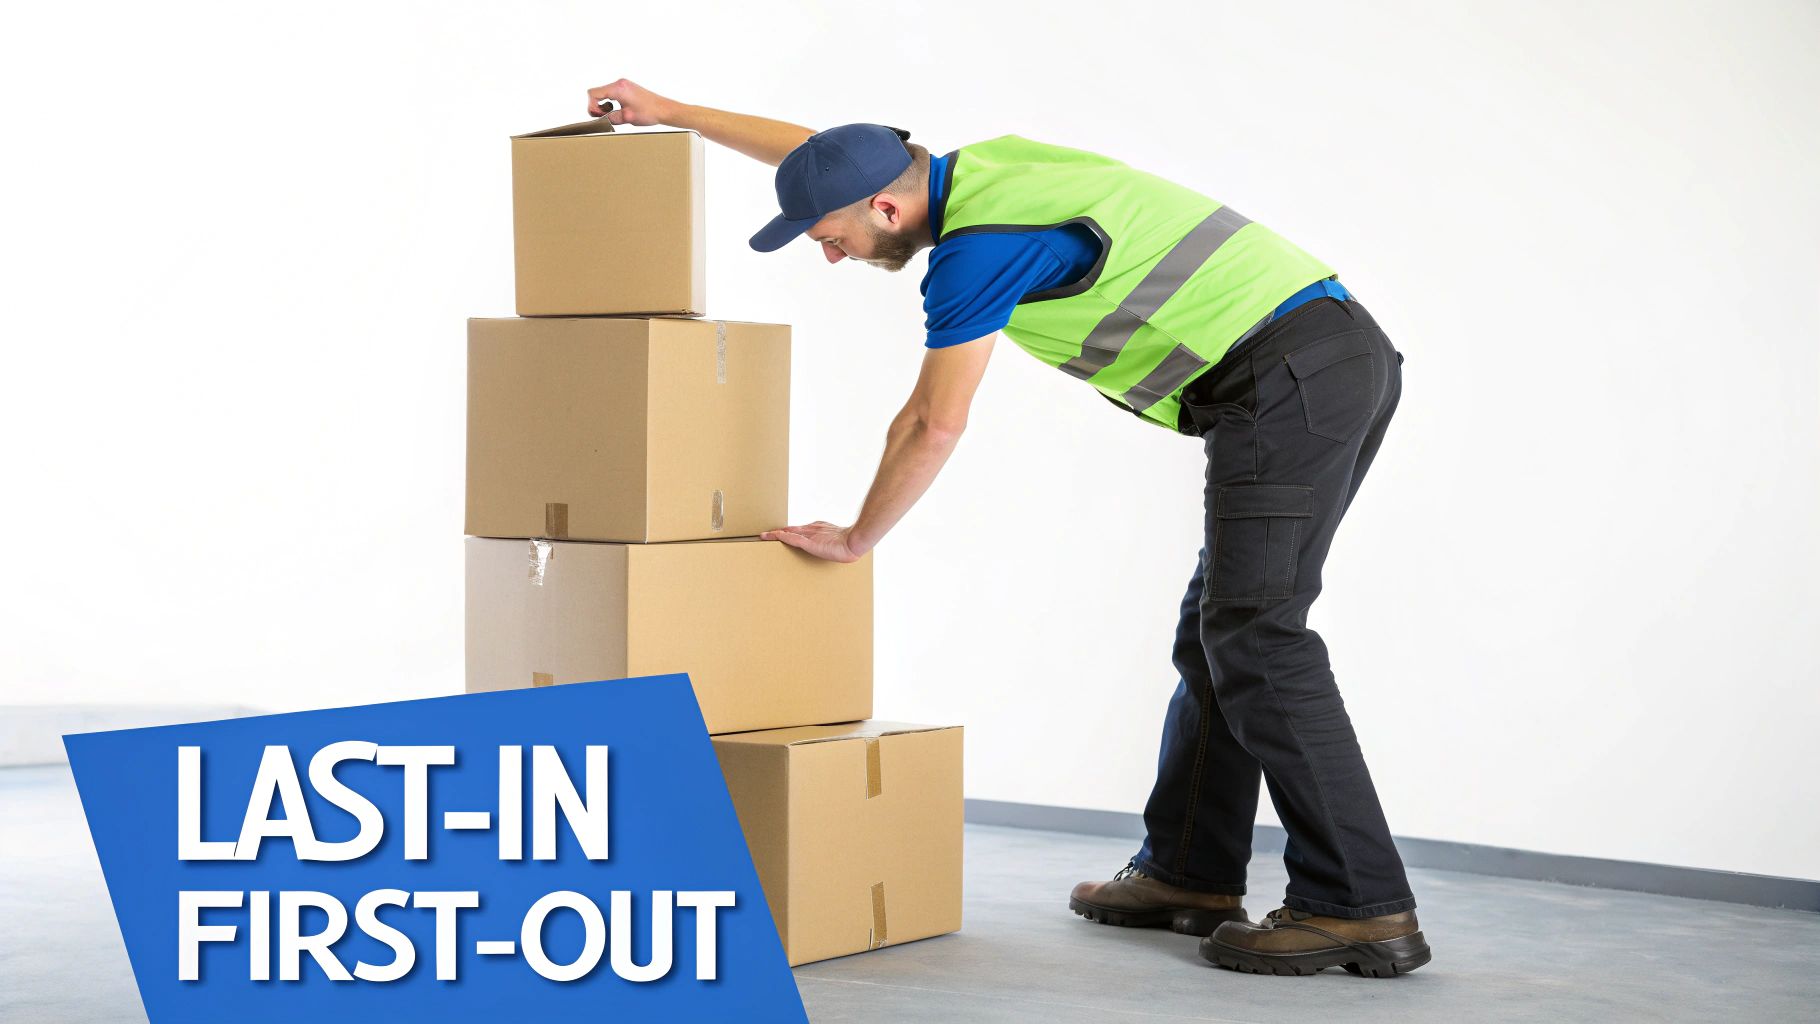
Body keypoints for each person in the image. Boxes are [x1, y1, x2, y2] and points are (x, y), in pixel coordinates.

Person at [584, 79, 1431, 978]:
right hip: (1321, 360)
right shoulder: (979, 171)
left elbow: (931, 422)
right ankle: (1190, 872)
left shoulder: (977, 252)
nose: (829, 256)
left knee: (1255, 636)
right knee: (1221, 633)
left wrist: (857, 536)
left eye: (828, 238)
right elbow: (824, 157)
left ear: (884, 209)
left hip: (1290, 378)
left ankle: (1358, 905)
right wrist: (672, 112)